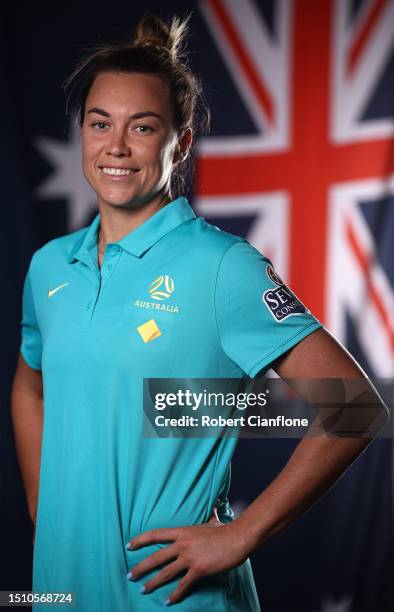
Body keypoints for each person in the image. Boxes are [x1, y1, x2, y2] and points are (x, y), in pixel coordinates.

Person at [11, 14, 387, 612]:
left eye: (142, 127)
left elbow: (356, 407)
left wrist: (243, 532)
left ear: (180, 143)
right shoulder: (50, 267)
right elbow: (30, 385)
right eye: (99, 123)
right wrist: (46, 507)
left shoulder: (221, 266)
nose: (115, 146)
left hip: (174, 597)